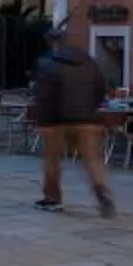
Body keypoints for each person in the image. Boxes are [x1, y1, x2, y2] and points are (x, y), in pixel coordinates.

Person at [25, 24, 116, 217]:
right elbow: (101, 89)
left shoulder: (47, 63)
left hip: (55, 120)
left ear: (50, 43)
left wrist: (42, 120)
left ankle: (53, 198)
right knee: (91, 159)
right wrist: (91, 108)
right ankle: (102, 193)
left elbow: (43, 95)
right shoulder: (89, 63)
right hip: (87, 118)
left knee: (52, 160)